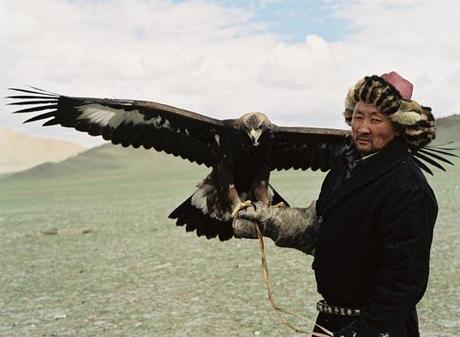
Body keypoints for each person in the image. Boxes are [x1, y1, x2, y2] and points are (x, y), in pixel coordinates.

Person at [233, 72, 438, 337]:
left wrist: (358, 333)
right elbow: (325, 230)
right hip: (330, 319)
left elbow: (403, 284)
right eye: (358, 116)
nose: (363, 127)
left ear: (398, 126)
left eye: (376, 119)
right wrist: (271, 222)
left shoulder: (408, 188)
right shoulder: (345, 168)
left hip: (376, 328)